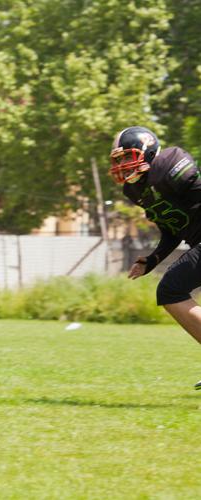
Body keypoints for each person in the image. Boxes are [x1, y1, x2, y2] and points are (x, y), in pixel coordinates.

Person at [110, 126, 201, 389]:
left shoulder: (170, 163)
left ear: (149, 151)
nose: (123, 165)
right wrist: (153, 259)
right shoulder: (135, 191)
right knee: (172, 290)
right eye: (119, 160)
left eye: (128, 156)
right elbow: (172, 228)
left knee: (172, 289)